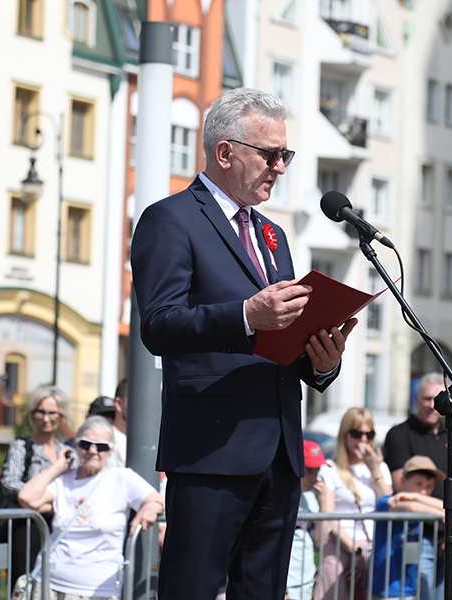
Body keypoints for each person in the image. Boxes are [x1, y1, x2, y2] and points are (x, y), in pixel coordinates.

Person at [130, 86, 355, 600]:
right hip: (212, 449)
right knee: (193, 589)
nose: (280, 167)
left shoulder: (274, 235)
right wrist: (246, 315)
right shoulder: (171, 220)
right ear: (225, 151)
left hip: (278, 452)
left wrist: (321, 361)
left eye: (286, 155)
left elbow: (285, 338)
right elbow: (159, 325)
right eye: (270, 154)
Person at [19, 415, 164, 599]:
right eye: (85, 444)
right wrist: (57, 467)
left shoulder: (122, 478)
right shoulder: (64, 480)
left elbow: (158, 500)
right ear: (75, 446)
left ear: (111, 451)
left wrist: (151, 507)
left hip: (97, 590)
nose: (93, 451)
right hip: (49, 583)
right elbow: (27, 498)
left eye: (102, 446)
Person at [382, 372, 452, 600]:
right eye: (426, 398)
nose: (430, 405)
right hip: (418, 535)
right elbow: (402, 489)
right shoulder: (400, 434)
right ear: (415, 399)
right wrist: (447, 526)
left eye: (435, 398)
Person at [0, 386, 75, 587]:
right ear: (32, 414)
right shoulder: (22, 446)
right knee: (25, 584)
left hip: (60, 527)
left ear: (62, 416)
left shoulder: (67, 451)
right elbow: (9, 483)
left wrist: (53, 502)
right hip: (27, 527)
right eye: (40, 412)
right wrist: (37, 500)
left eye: (52, 413)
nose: (46, 419)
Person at [318, 408, 393, 600]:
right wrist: (356, 552)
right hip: (341, 545)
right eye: (356, 433)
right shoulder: (330, 468)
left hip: (374, 545)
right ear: (345, 435)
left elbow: (389, 505)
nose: (363, 440)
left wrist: (374, 469)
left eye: (369, 434)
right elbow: (329, 515)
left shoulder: (380, 467)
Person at [371, 456, 446, 600]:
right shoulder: (388, 502)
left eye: (429, 487)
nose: (423, 491)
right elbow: (412, 508)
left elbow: (446, 509)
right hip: (385, 587)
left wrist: (414, 496)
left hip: (409, 586)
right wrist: (436, 512)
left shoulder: (418, 502)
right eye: (418, 484)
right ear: (403, 480)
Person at [286, 440, 330, 600]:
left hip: (306, 581)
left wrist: (324, 504)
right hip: (286, 584)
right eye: (309, 470)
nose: (314, 478)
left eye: (317, 471)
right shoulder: (280, 499)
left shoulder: (312, 498)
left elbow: (320, 541)